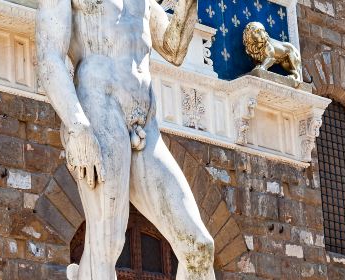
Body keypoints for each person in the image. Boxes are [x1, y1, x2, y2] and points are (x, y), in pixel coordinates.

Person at [36, 0, 216, 279]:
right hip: (98, 112)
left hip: (145, 124)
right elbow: (50, 57)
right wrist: (77, 127)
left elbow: (174, 48)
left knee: (199, 248)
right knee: (106, 243)